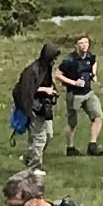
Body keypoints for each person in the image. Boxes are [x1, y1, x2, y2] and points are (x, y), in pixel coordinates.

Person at [10, 43, 63, 171]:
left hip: (44, 107)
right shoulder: (32, 70)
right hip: (33, 107)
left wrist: (52, 91)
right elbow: (26, 90)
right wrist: (45, 90)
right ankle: (34, 167)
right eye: (53, 58)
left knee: (48, 135)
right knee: (39, 137)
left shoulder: (47, 69)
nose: (55, 61)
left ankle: (29, 158)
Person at [56, 33, 103, 156]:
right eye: (81, 43)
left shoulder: (89, 56)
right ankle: (70, 148)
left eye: (86, 43)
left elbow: (94, 62)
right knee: (73, 123)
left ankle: (92, 145)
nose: (84, 46)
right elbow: (57, 74)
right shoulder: (70, 60)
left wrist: (93, 74)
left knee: (98, 116)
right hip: (74, 94)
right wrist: (73, 82)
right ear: (76, 45)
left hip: (88, 93)